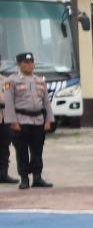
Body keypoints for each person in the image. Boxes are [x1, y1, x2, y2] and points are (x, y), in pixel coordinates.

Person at [3, 53, 55, 189]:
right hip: (21, 120)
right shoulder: (11, 81)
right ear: (19, 64)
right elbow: (8, 104)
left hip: (38, 120)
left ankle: (37, 177)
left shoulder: (40, 80)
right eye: (25, 62)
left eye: (31, 62)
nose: (29, 65)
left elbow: (46, 102)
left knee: (37, 150)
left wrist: (48, 120)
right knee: (22, 151)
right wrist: (12, 122)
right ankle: (24, 178)